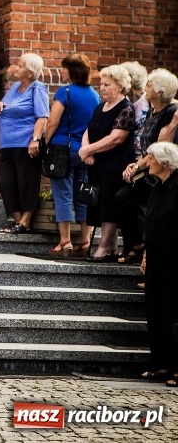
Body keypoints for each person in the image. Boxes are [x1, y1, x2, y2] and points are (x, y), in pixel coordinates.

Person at [116, 69, 178, 264]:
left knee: (141, 205)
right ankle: (134, 245)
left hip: (163, 173)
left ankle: (144, 252)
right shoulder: (152, 112)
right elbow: (146, 147)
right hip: (149, 167)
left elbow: (160, 146)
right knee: (122, 198)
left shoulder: (171, 112)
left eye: (150, 84)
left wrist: (137, 167)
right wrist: (135, 165)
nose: (146, 87)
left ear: (160, 91)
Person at [43, 54, 100, 257]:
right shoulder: (95, 95)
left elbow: (52, 122)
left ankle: (65, 241)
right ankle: (85, 240)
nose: (62, 72)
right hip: (85, 150)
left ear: (72, 71)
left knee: (63, 195)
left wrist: (46, 143)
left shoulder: (65, 92)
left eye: (65, 68)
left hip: (62, 148)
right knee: (83, 194)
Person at [79, 65, 136, 262]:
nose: (101, 88)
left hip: (115, 164)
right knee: (97, 204)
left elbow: (116, 138)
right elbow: (88, 130)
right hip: (96, 163)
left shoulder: (126, 108)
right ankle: (110, 247)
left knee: (108, 206)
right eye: (101, 84)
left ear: (119, 87)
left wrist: (90, 149)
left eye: (106, 85)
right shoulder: (99, 107)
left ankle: (103, 247)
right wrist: (85, 151)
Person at [0, 53, 49, 234]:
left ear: (30, 73)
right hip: (8, 143)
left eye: (20, 66)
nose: (15, 68)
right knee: (5, 182)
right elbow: (8, 105)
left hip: (26, 143)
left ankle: (25, 221)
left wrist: (35, 139)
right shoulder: (15, 87)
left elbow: (42, 116)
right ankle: (19, 222)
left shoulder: (37, 88)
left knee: (27, 182)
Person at [139, 141, 178, 387]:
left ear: (164, 162)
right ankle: (161, 364)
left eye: (151, 158)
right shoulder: (157, 187)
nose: (147, 162)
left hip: (175, 262)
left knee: (173, 314)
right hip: (155, 260)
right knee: (155, 314)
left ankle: (177, 368)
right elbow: (151, 223)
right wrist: (145, 253)